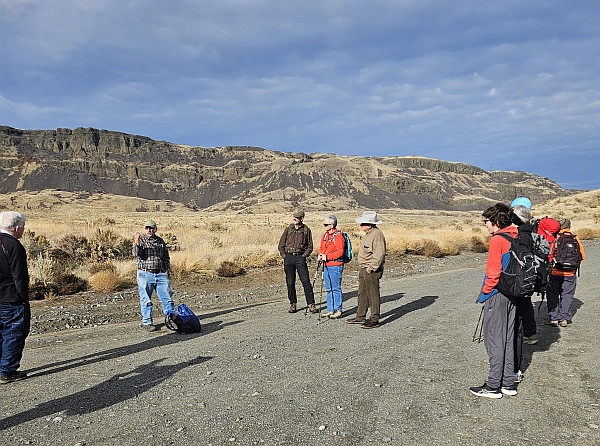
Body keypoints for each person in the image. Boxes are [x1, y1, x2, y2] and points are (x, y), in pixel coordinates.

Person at [470, 203, 518, 398]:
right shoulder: (516, 234)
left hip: (497, 294)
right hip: (513, 293)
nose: (485, 225)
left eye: (486, 222)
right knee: (507, 339)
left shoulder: (498, 240)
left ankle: (492, 386)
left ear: (496, 222)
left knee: (494, 341)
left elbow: (493, 272)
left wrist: (485, 293)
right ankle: (508, 383)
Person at [0, 211, 30, 384]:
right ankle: (7, 371)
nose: (24, 229)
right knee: (14, 334)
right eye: (23, 226)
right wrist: (23, 297)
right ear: (17, 227)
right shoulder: (14, 246)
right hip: (11, 298)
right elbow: (19, 276)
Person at [509, 204, 537, 385]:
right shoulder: (531, 233)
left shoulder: (521, 236)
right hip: (527, 282)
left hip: (519, 283)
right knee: (525, 308)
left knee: (517, 317)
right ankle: (530, 333)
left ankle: (514, 367)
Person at [132, 219, 175, 332]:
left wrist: (166, 270)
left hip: (160, 273)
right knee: (146, 299)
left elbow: (166, 256)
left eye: (151, 228)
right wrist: (136, 242)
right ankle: (147, 322)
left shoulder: (160, 241)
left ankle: (171, 318)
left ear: (155, 229)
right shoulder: (141, 239)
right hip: (145, 273)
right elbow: (136, 254)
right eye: (147, 228)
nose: (149, 230)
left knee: (167, 298)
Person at [346, 211, 386, 329]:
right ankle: (360, 316)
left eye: (363, 223)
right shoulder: (369, 234)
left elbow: (379, 253)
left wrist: (371, 268)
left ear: (370, 224)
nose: (361, 226)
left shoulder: (377, 234)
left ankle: (374, 319)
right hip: (364, 268)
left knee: (373, 295)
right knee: (362, 293)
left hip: (371, 269)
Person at [545, 218, 585, 327]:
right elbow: (582, 256)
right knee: (567, 295)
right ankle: (564, 319)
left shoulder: (554, 238)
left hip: (554, 272)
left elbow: (548, 255)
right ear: (569, 226)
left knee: (552, 295)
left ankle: (553, 318)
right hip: (570, 273)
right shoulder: (575, 238)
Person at [277, 209, 317, 314]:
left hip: (300, 257)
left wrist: (303, 256)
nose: (294, 218)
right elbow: (281, 245)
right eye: (294, 216)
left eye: (297, 217)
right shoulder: (288, 229)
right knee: (290, 282)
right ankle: (293, 304)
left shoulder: (306, 230)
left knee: (306, 281)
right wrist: (284, 256)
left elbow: (310, 246)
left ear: (302, 218)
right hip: (289, 258)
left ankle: (311, 304)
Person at [317, 214, 345, 319]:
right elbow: (321, 248)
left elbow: (340, 252)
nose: (324, 226)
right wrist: (320, 255)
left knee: (336, 288)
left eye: (326, 224)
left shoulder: (338, 236)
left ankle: (338, 310)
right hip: (326, 265)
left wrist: (327, 257)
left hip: (335, 265)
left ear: (332, 225)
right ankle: (330, 309)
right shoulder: (325, 236)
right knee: (329, 288)